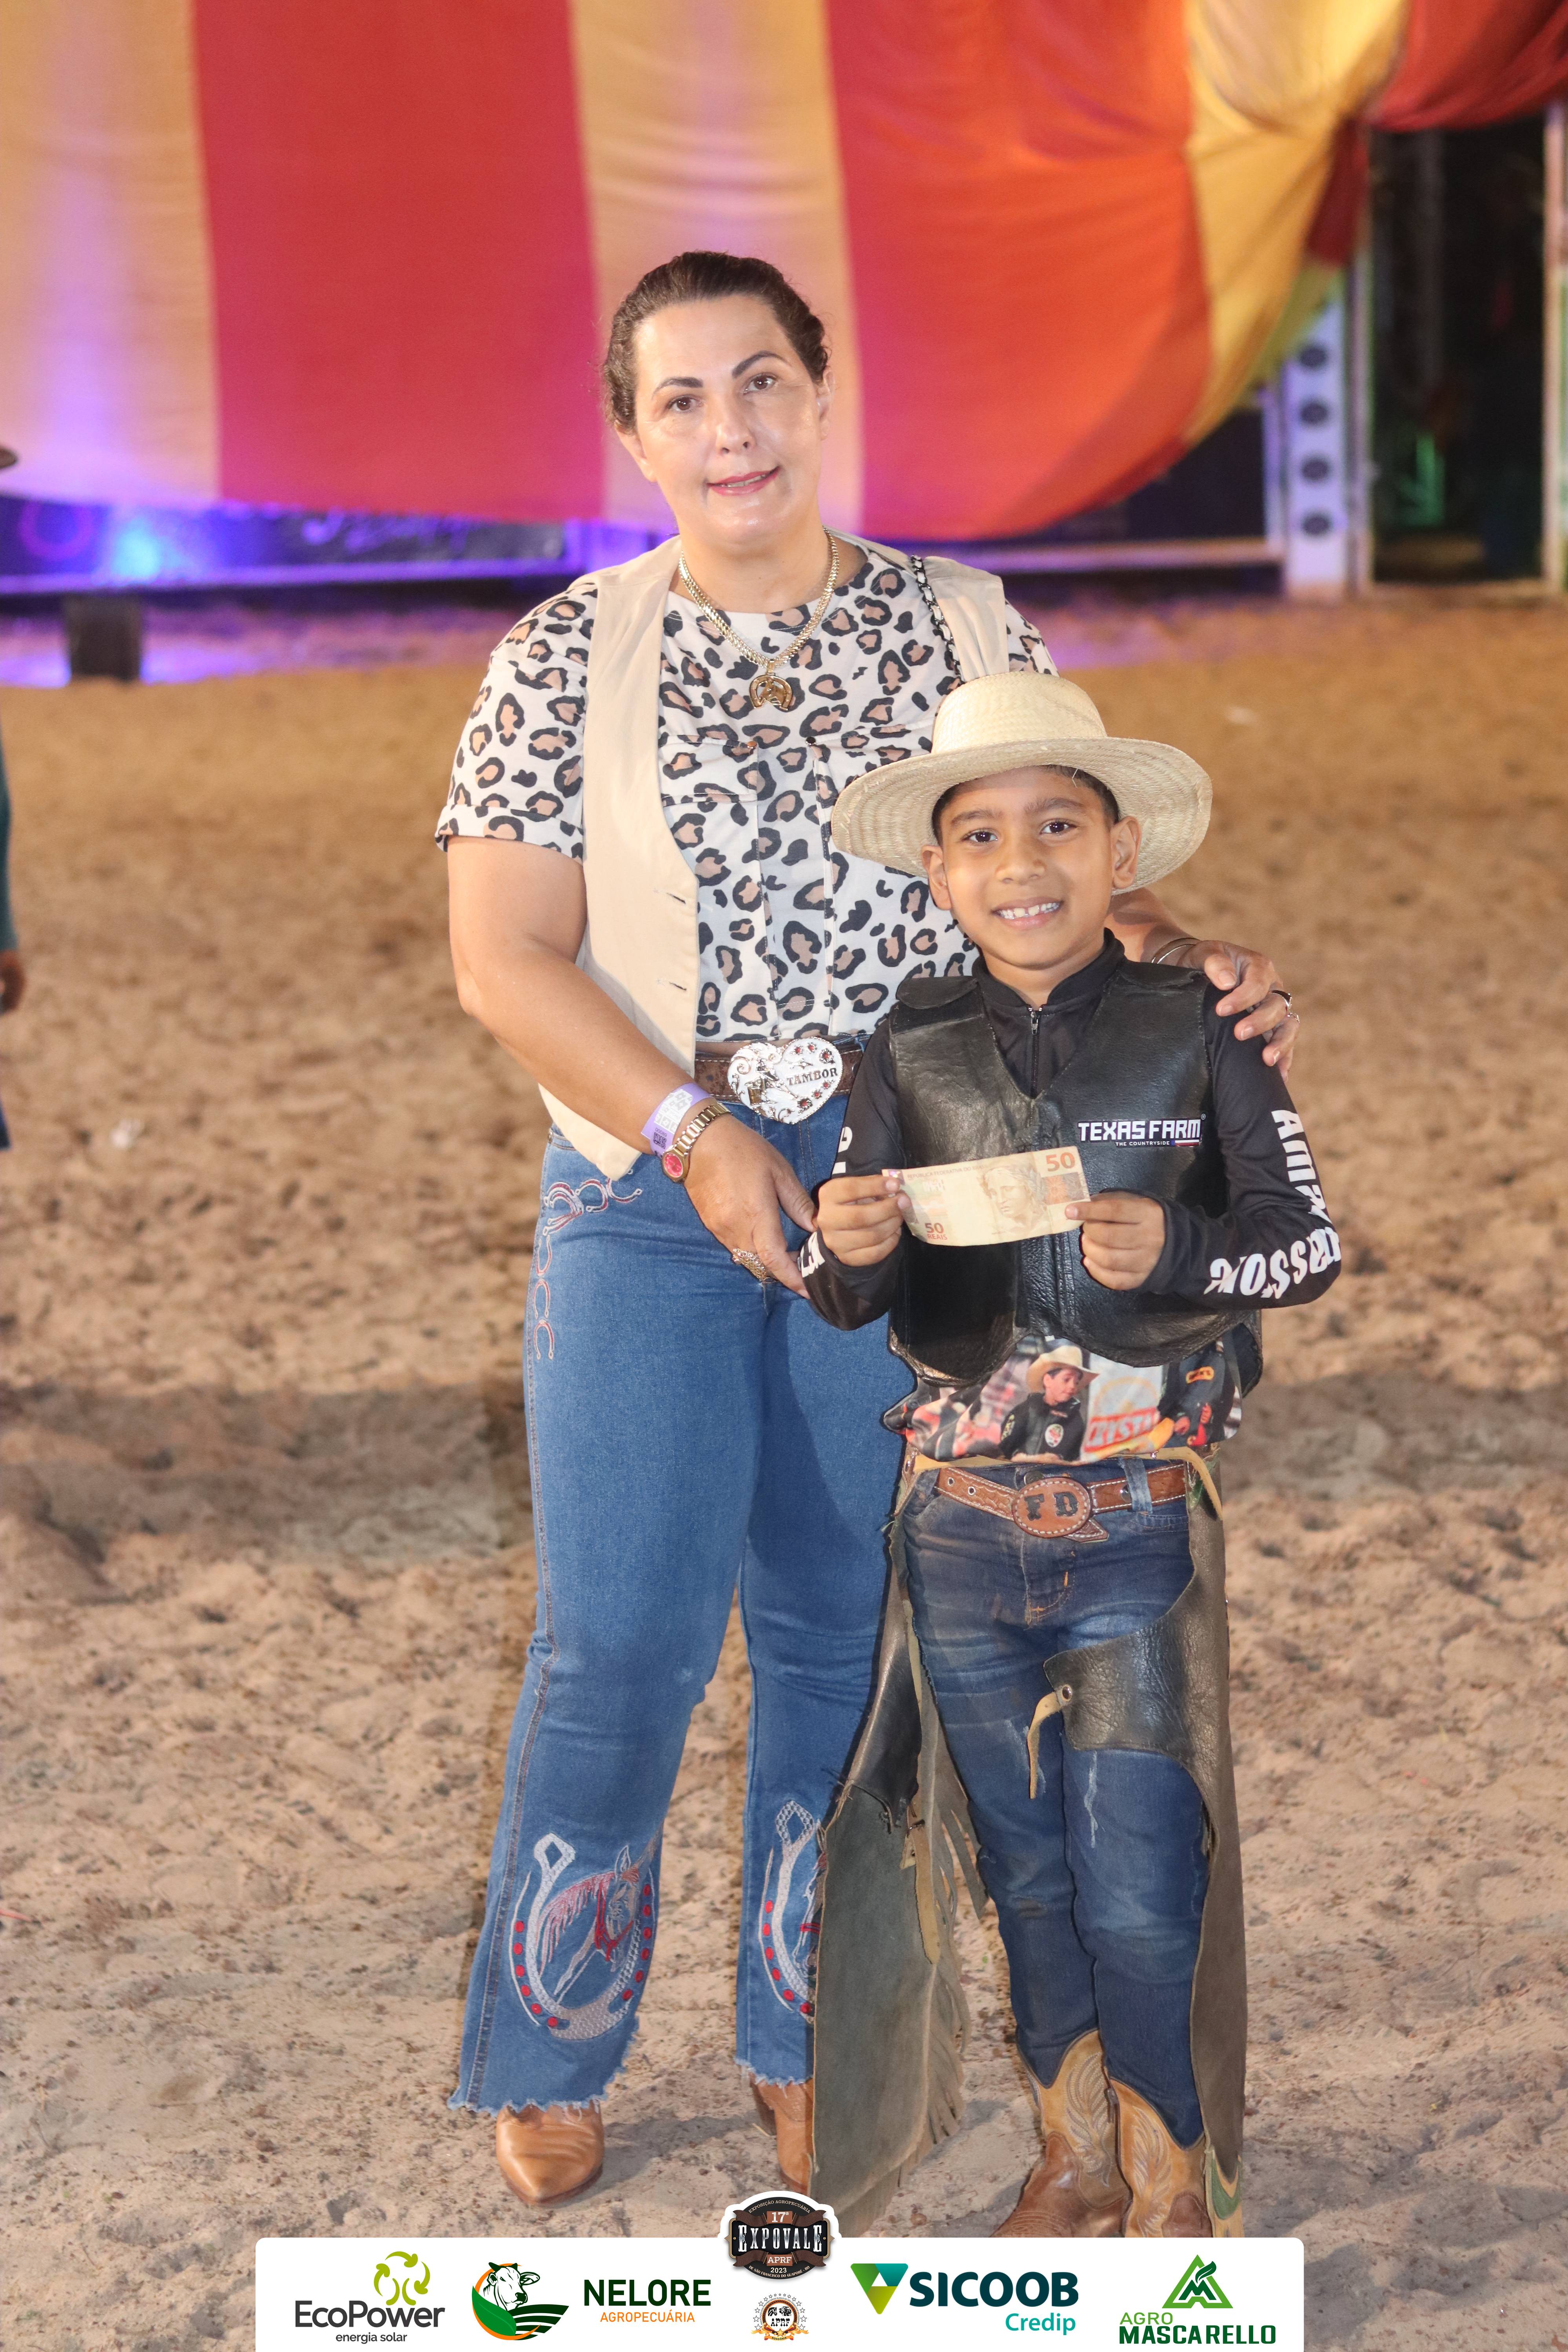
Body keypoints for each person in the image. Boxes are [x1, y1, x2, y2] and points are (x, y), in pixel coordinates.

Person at [437, 249, 1299, 2210]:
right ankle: (551, 2041)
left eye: (760, 379)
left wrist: (1188, 965)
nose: (728, 427)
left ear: (819, 393)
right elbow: (505, 957)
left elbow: (1060, 871)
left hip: (927, 1189)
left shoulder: (960, 620)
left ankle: (798, 2034)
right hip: (644, 1182)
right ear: (632, 434)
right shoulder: (560, 655)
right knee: (616, 1638)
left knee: (843, 1626)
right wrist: (693, 1133)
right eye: (681, 397)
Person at [803, 669, 1339, 2235]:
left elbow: (1303, 1245)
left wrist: (1180, 1252)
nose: (1020, 862)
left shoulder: (1202, 1029)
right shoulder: (904, 1048)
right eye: (979, 835)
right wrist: (846, 1250)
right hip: (960, 1524)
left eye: (1057, 826)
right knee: (1024, 1874)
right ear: (938, 872)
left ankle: (1170, 2175)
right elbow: (855, 1291)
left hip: (1138, 1519)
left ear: (1121, 856)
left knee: (1142, 1878)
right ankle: (1073, 2153)